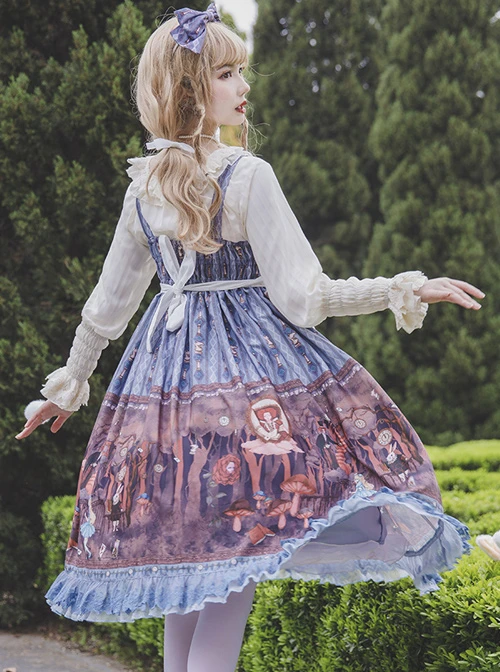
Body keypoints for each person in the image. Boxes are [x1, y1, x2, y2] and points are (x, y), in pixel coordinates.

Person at [15, 4, 485, 672]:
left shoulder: (144, 187)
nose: (244, 87)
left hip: (163, 404)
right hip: (245, 399)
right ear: (189, 91)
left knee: (190, 568)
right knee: (235, 560)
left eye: (241, 72)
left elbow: (107, 311)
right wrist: (401, 288)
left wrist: (69, 385)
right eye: (226, 74)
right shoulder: (245, 176)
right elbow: (306, 297)